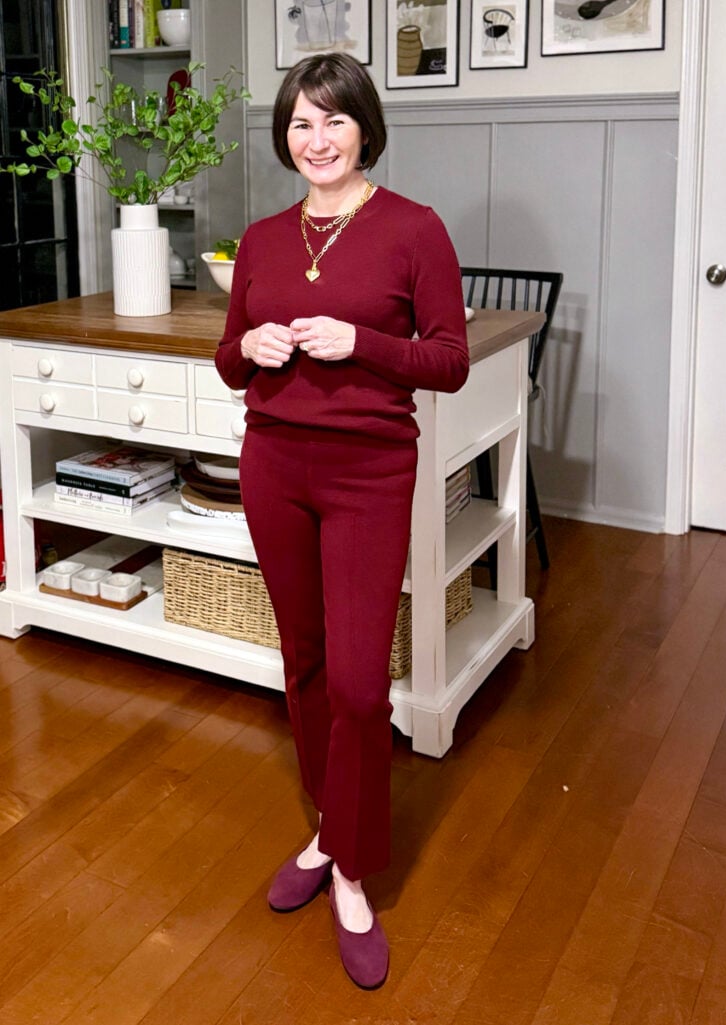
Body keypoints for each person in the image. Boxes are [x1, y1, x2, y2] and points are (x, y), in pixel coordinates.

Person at [214, 52, 469, 990]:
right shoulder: (260, 238)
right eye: (299, 123)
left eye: (333, 120)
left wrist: (361, 341)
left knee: (361, 684)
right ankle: (329, 829)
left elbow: (449, 361)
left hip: (369, 471)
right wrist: (247, 343)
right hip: (273, 464)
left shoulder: (414, 229)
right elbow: (227, 363)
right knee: (306, 661)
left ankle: (352, 871)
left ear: (364, 128)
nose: (315, 140)